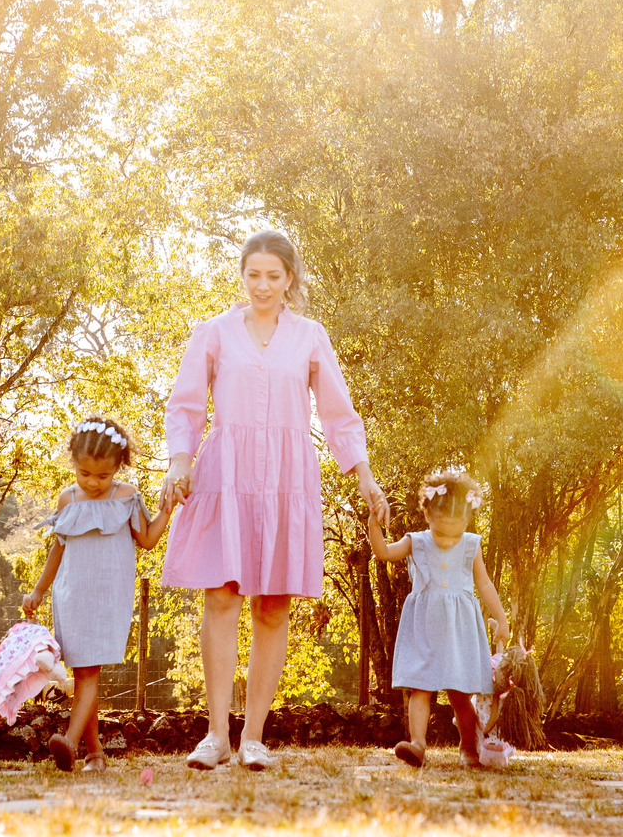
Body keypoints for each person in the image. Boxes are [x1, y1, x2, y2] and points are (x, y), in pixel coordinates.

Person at [158, 229, 388, 772]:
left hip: (289, 478)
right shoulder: (213, 333)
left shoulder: (310, 336)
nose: (263, 285)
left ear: (290, 279)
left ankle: (254, 737)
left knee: (273, 604)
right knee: (221, 596)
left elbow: (337, 412)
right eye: (253, 274)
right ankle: (216, 736)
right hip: (227, 475)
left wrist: (363, 473)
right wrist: (179, 460)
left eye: (274, 275)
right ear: (243, 275)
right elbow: (185, 406)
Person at [23, 414, 175, 771]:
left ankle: (70, 743)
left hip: (108, 598)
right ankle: (94, 754)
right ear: (73, 464)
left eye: (102, 476)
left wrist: (167, 509)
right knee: (83, 672)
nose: (92, 483)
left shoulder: (127, 498)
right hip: (72, 595)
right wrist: (38, 591)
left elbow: (148, 540)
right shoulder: (67, 500)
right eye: (84, 474)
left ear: (118, 467)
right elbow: (57, 551)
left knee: (88, 673)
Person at [368, 469, 510, 769]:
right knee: (420, 687)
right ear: (427, 515)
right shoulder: (416, 541)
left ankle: (469, 747)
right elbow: (383, 552)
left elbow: (483, 584)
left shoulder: (471, 545)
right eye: (441, 531)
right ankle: (418, 744)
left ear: (467, 523)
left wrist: (501, 618)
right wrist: (374, 523)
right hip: (425, 629)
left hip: (461, 631)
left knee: (461, 693)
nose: (447, 539)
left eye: (454, 532)